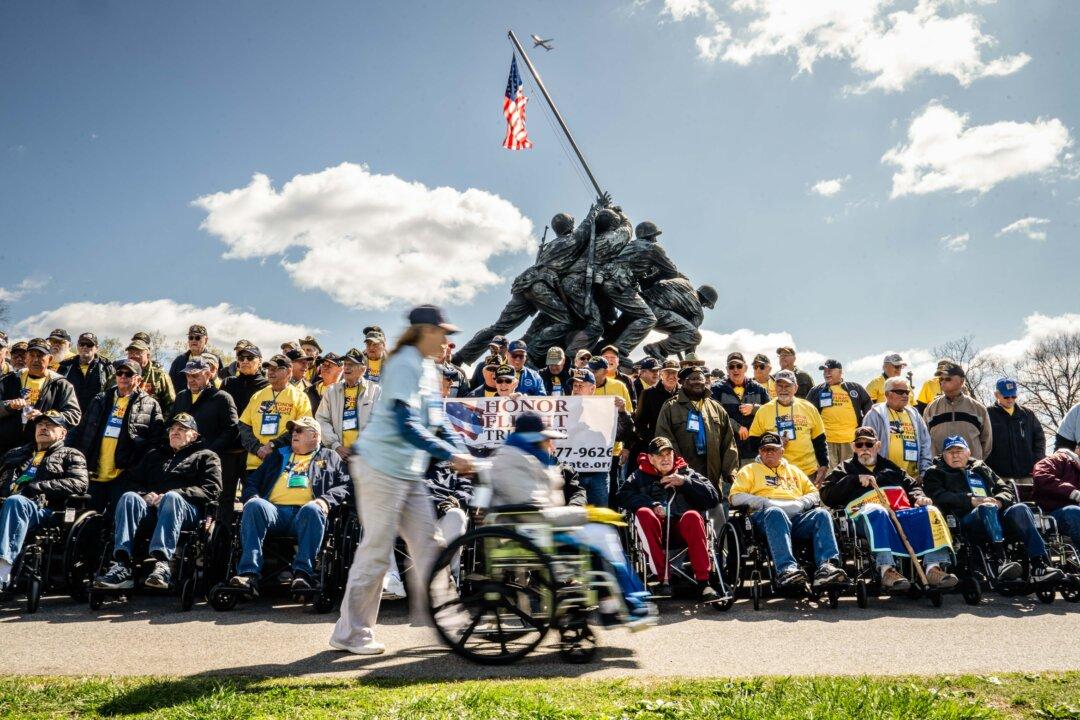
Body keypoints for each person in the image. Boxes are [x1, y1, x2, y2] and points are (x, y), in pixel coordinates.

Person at [331, 305, 475, 656]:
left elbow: (439, 422)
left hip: (407, 471)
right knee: (377, 552)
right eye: (442, 333)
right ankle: (350, 634)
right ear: (426, 332)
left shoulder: (428, 367)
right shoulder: (403, 364)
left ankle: (450, 624)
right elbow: (404, 422)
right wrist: (447, 454)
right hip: (379, 467)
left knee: (431, 545)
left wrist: (460, 450)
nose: (446, 340)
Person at [476, 411, 655, 623]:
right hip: (533, 533)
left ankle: (621, 602)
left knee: (604, 534)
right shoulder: (513, 461)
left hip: (535, 528)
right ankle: (625, 605)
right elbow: (536, 511)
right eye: (546, 439)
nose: (550, 444)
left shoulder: (519, 458)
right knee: (603, 535)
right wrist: (583, 514)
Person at [94, 413, 221, 590]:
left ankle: (163, 564)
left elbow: (211, 490)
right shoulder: (155, 454)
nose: (175, 432)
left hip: (186, 511)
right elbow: (131, 480)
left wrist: (174, 493)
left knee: (171, 498)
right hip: (152, 509)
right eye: (173, 429)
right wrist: (144, 494)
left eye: (182, 429)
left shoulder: (206, 456)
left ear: (194, 435)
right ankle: (122, 564)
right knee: (129, 497)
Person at [819, 427, 957, 590]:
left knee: (931, 511)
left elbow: (912, 485)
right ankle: (886, 570)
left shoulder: (891, 467)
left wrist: (919, 497)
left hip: (899, 514)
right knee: (877, 511)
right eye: (859, 445)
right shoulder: (844, 469)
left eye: (869, 444)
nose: (864, 448)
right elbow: (826, 494)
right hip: (864, 519)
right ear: (853, 447)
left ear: (877, 446)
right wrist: (854, 480)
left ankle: (933, 568)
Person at [230, 416, 350, 593]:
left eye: (299, 430)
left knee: (312, 509)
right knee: (254, 506)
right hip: (275, 513)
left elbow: (346, 485)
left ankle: (302, 574)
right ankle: (249, 574)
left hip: (306, 513)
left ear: (315, 436)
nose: (294, 433)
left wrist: (325, 500)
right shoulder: (279, 454)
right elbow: (253, 481)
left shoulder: (329, 456)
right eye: (293, 430)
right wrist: (254, 496)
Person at [922, 436, 1061, 584]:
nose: (955, 455)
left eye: (959, 450)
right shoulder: (935, 472)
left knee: (1020, 508)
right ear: (943, 455)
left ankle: (1039, 564)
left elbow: (1005, 488)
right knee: (986, 507)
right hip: (966, 520)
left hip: (996, 512)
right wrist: (971, 500)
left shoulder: (980, 467)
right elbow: (938, 496)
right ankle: (1001, 561)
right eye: (950, 452)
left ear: (968, 453)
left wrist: (999, 501)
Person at [730, 431, 848, 587]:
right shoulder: (749, 470)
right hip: (765, 517)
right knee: (775, 512)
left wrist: (802, 502)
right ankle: (787, 570)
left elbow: (814, 493)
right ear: (759, 452)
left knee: (821, 514)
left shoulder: (794, 470)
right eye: (765, 449)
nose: (769, 453)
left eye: (773, 449)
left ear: (782, 451)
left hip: (796, 516)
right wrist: (763, 502)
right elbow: (735, 497)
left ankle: (827, 567)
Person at [619, 436, 722, 601]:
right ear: (651, 458)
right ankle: (663, 578)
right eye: (660, 455)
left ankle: (704, 583)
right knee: (644, 513)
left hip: (683, 530)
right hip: (655, 532)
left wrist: (685, 483)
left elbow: (713, 497)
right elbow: (622, 497)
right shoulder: (639, 476)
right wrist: (651, 504)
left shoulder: (685, 472)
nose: (665, 458)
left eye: (668, 454)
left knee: (693, 516)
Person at [0, 411, 88, 588]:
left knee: (16, 502)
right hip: (7, 501)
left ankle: (3, 571)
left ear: (63, 432)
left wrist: (39, 486)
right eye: (40, 424)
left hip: (42, 509)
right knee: (12, 501)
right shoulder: (17, 453)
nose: (43, 427)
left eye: (50, 425)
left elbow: (79, 484)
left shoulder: (71, 454)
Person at [75, 358, 164, 512]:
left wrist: (137, 470)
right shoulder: (100, 399)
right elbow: (82, 430)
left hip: (124, 476)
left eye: (128, 374)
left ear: (138, 379)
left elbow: (155, 443)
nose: (123, 376)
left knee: (116, 521)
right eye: (120, 373)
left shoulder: (151, 404)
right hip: (94, 473)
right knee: (88, 521)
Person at [655, 366, 739, 501]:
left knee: (713, 514)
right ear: (681, 381)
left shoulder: (716, 407)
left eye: (700, 378)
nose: (698, 382)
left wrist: (730, 471)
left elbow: (728, 442)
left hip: (712, 474)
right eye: (693, 379)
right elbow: (665, 440)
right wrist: (679, 468)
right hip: (684, 476)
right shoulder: (670, 407)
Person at [0, 338, 81, 456]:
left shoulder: (61, 384)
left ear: (50, 359)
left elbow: (74, 414)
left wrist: (46, 417)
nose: (35, 360)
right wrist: (9, 406)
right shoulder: (9, 380)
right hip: (5, 448)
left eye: (40, 355)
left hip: (40, 450)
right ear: (26, 358)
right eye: (31, 355)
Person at [748, 370, 828, 485]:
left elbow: (819, 439)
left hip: (807, 473)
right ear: (775, 387)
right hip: (775, 473)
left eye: (787, 386)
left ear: (795, 387)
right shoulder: (763, 410)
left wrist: (824, 465)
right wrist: (774, 443)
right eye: (780, 385)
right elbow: (753, 443)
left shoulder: (809, 408)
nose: (783, 389)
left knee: (809, 502)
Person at [237, 353, 313, 474]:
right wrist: (257, 449)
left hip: (284, 462)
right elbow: (243, 425)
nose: (270, 372)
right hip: (254, 464)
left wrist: (272, 445)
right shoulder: (258, 395)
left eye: (276, 369)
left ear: (289, 371)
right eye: (269, 369)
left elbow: (302, 428)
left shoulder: (300, 397)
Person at [569, 368, 633, 506]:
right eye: (575, 385)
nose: (577, 389)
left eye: (581, 386)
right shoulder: (560, 407)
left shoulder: (605, 408)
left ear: (592, 389)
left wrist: (622, 412)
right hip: (571, 474)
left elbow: (624, 434)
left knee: (599, 518)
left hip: (598, 473)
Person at [219, 345, 269, 515]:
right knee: (224, 498)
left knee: (252, 498)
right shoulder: (228, 383)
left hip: (254, 451)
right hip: (229, 450)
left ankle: (247, 539)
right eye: (241, 358)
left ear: (260, 361)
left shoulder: (267, 387)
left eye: (250, 358)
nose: (245, 361)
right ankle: (221, 539)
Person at [316, 348, 381, 460]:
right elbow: (321, 420)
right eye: (345, 364)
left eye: (352, 364)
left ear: (363, 369)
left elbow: (380, 423)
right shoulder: (331, 391)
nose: (347, 367)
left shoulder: (375, 391)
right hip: (337, 456)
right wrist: (335, 446)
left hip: (366, 457)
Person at [861, 377, 933, 478]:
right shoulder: (875, 415)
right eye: (900, 392)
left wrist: (924, 472)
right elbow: (865, 446)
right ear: (887, 394)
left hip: (913, 479)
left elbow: (925, 445)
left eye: (907, 392)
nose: (905, 395)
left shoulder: (915, 415)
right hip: (884, 478)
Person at [168, 357, 238, 458]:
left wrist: (208, 452)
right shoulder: (181, 397)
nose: (191, 380)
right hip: (180, 457)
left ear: (208, 375)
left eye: (195, 376)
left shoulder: (222, 398)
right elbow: (169, 424)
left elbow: (232, 430)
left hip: (208, 460)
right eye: (188, 376)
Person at [807, 359, 873, 467]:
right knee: (828, 476)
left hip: (850, 441)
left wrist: (864, 430)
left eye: (830, 370)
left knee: (849, 473)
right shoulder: (816, 390)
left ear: (840, 372)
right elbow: (807, 413)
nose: (826, 373)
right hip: (826, 442)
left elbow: (868, 406)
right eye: (824, 370)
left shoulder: (855, 388)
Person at [712, 352, 770, 466]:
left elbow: (770, 411)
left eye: (739, 366)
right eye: (731, 366)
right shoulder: (716, 389)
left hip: (754, 450)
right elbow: (713, 415)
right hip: (727, 450)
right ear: (727, 369)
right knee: (730, 483)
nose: (735, 369)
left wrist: (754, 408)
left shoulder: (759, 389)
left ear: (746, 368)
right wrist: (736, 427)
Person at [923, 362, 992, 459]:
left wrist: (975, 462)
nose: (942, 381)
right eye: (941, 379)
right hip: (940, 471)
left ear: (962, 381)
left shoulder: (978, 409)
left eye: (948, 378)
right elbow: (925, 440)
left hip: (970, 470)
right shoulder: (931, 408)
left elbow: (987, 443)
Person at [985, 378, 1045, 483]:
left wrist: (1036, 461)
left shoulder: (1027, 414)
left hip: (1027, 475)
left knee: (1028, 500)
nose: (1010, 399)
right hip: (1000, 477)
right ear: (996, 395)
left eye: (1013, 396)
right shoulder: (988, 414)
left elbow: (1039, 439)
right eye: (1006, 396)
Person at [62, 333, 115, 431]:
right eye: (82, 344)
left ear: (96, 348)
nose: (85, 347)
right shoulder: (65, 365)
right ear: (77, 346)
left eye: (89, 345)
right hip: (69, 418)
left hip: (96, 421)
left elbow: (113, 394)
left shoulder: (107, 366)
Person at [1031, 448, 1080, 551]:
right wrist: (1074, 493)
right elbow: (1041, 476)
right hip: (1049, 515)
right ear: (1078, 449)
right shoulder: (1059, 458)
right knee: (1073, 512)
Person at [631, 359, 679, 459]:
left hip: (681, 447)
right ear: (661, 374)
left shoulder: (684, 393)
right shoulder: (648, 394)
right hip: (657, 449)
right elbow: (639, 424)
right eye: (667, 373)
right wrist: (655, 441)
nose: (671, 376)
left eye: (674, 373)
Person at [167, 324, 224, 393]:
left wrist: (213, 377)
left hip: (208, 401)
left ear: (205, 340)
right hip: (183, 402)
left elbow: (222, 386)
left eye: (197, 338)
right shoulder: (179, 361)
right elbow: (169, 387)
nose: (193, 340)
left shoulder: (214, 360)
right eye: (191, 337)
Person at [126, 338, 175, 416]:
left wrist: (162, 424)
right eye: (131, 352)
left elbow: (171, 404)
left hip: (151, 424)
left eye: (139, 352)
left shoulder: (160, 375)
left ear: (148, 355)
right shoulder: (120, 374)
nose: (134, 356)